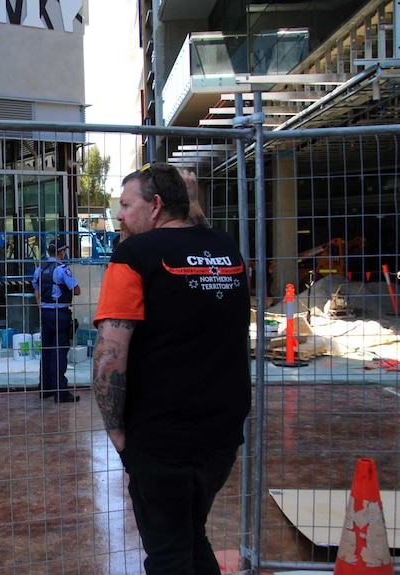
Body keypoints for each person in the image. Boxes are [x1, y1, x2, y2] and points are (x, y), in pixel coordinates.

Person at [92, 162, 251, 574]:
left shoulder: (132, 256)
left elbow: (110, 356)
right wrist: (191, 196)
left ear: (156, 205)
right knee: (190, 536)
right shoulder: (225, 249)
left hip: (162, 439)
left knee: (168, 554)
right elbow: (193, 232)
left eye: (126, 205)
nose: (120, 216)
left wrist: (117, 434)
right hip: (221, 434)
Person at [33, 237, 81, 403]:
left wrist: (42, 306)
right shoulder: (62, 270)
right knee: (60, 351)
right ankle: (61, 391)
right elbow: (76, 290)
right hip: (59, 314)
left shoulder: (39, 269)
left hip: (45, 313)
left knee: (46, 351)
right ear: (61, 252)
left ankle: (45, 388)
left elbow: (36, 291)